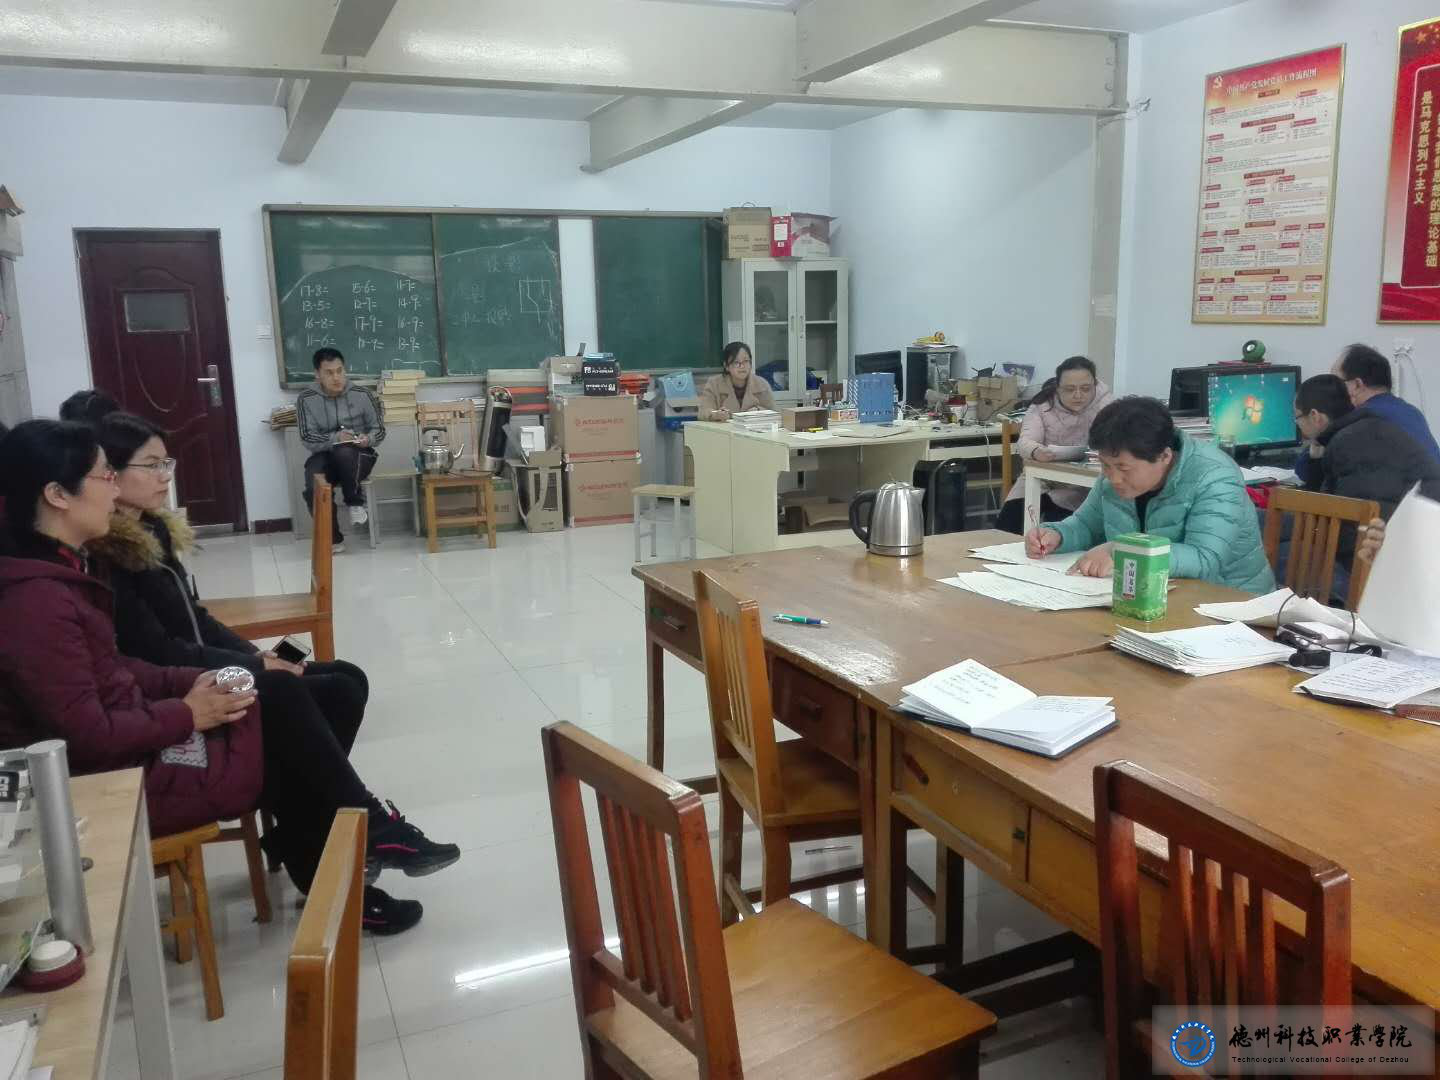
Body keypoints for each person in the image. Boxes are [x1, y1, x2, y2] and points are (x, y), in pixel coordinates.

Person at [0, 420, 457, 934]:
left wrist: (241, 664)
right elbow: (105, 713)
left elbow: (142, 654)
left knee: (333, 684)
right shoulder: (51, 593)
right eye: (110, 473)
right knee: (292, 704)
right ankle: (344, 834)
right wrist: (193, 707)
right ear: (57, 494)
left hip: (150, 720)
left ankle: (325, 836)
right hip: (121, 773)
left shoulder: (80, 563)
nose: (164, 477)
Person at [88, 411, 375, 755]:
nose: (165, 476)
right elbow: (158, 651)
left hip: (206, 663)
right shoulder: (108, 554)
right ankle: (300, 778)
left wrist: (255, 654)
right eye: (151, 466)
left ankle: (310, 775)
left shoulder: (154, 528)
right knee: (338, 691)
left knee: (350, 675)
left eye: (165, 463)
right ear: (110, 473)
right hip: (186, 683)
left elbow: (196, 619)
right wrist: (255, 666)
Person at [1025, 396, 1275, 591]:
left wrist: (1121, 551)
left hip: (1228, 605)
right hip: (1153, 594)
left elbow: (1204, 559)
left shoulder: (1214, 477)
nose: (1112, 478)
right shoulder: (1115, 472)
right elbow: (1086, 525)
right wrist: (1057, 535)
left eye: (1123, 468)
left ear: (1164, 456)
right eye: (1105, 465)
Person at [1294, 374, 1440, 518]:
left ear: (1315, 416)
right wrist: (1315, 457)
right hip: (1417, 519)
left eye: (1297, 417)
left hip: (1416, 525)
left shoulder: (1348, 443)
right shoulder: (1366, 428)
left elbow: (1355, 520)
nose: (1297, 424)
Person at [996, 356, 1112, 534]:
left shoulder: (1106, 403)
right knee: (1008, 524)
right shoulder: (1043, 404)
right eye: (1070, 389)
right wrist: (1036, 451)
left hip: (1081, 486)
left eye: (1086, 389)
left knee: (1059, 529)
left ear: (1095, 385)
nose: (1078, 395)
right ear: (1058, 388)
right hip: (1041, 478)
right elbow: (1025, 442)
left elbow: (1115, 440)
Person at [1295, 345, 1440, 485]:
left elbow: (1311, 474)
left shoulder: (1362, 422)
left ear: (1357, 385)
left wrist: (1318, 439)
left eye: (1336, 382)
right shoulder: (1411, 412)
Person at [296, 347, 385, 551]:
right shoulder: (306, 399)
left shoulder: (362, 394)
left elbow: (379, 430)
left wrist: (367, 439)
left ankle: (354, 502)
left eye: (339, 371)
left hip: (359, 454)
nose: (336, 378)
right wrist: (335, 438)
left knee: (345, 452)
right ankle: (333, 539)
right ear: (317, 374)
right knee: (313, 484)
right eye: (329, 373)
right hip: (324, 455)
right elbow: (307, 437)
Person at [698, 341, 775, 421]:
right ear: (726, 366)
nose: (742, 366)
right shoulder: (714, 383)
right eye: (736, 362)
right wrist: (716, 414)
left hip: (754, 428)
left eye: (746, 361)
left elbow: (774, 412)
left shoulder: (762, 384)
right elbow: (703, 412)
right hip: (724, 428)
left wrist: (759, 411)